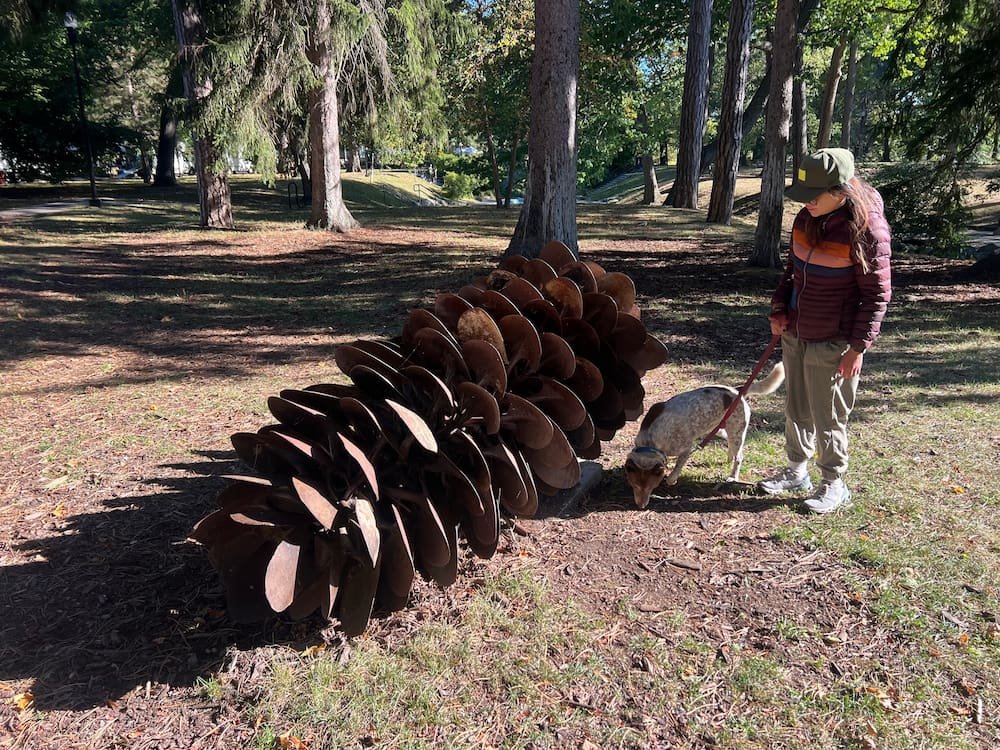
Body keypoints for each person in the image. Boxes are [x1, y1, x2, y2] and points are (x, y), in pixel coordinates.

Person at [758, 148, 892, 513]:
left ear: (842, 191)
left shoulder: (867, 232)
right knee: (796, 407)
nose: (807, 203)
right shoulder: (807, 218)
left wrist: (858, 348)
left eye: (815, 196)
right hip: (797, 332)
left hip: (835, 341)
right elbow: (792, 273)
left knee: (829, 415)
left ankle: (834, 484)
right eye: (804, 196)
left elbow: (877, 295)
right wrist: (779, 308)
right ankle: (796, 470)